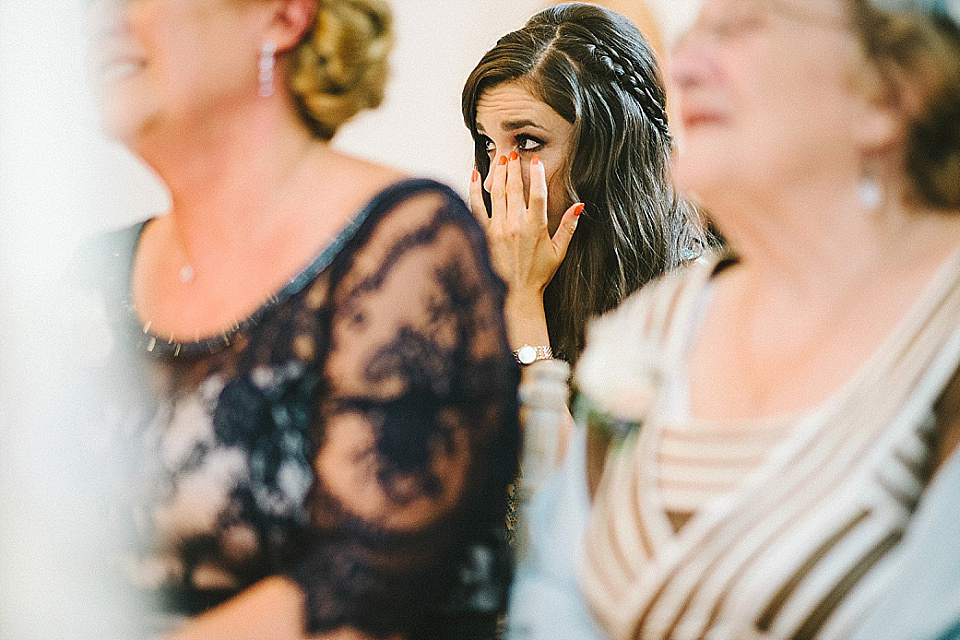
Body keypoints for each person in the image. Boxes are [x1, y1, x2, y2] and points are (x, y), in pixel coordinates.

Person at [82, 0, 519, 638]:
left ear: (285, 16)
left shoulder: (405, 247)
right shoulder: (91, 280)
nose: (103, 15)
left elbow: (366, 582)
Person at [574, 0, 960, 638]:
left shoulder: (944, 327)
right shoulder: (656, 323)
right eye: (689, 35)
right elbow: (553, 601)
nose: (684, 69)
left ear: (888, 97)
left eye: (735, 28)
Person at [461, 2, 701, 369]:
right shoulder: (478, 281)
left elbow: (582, 430)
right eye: (488, 145)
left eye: (526, 143)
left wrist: (524, 302)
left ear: (609, 153)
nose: (495, 180)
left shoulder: (690, 302)